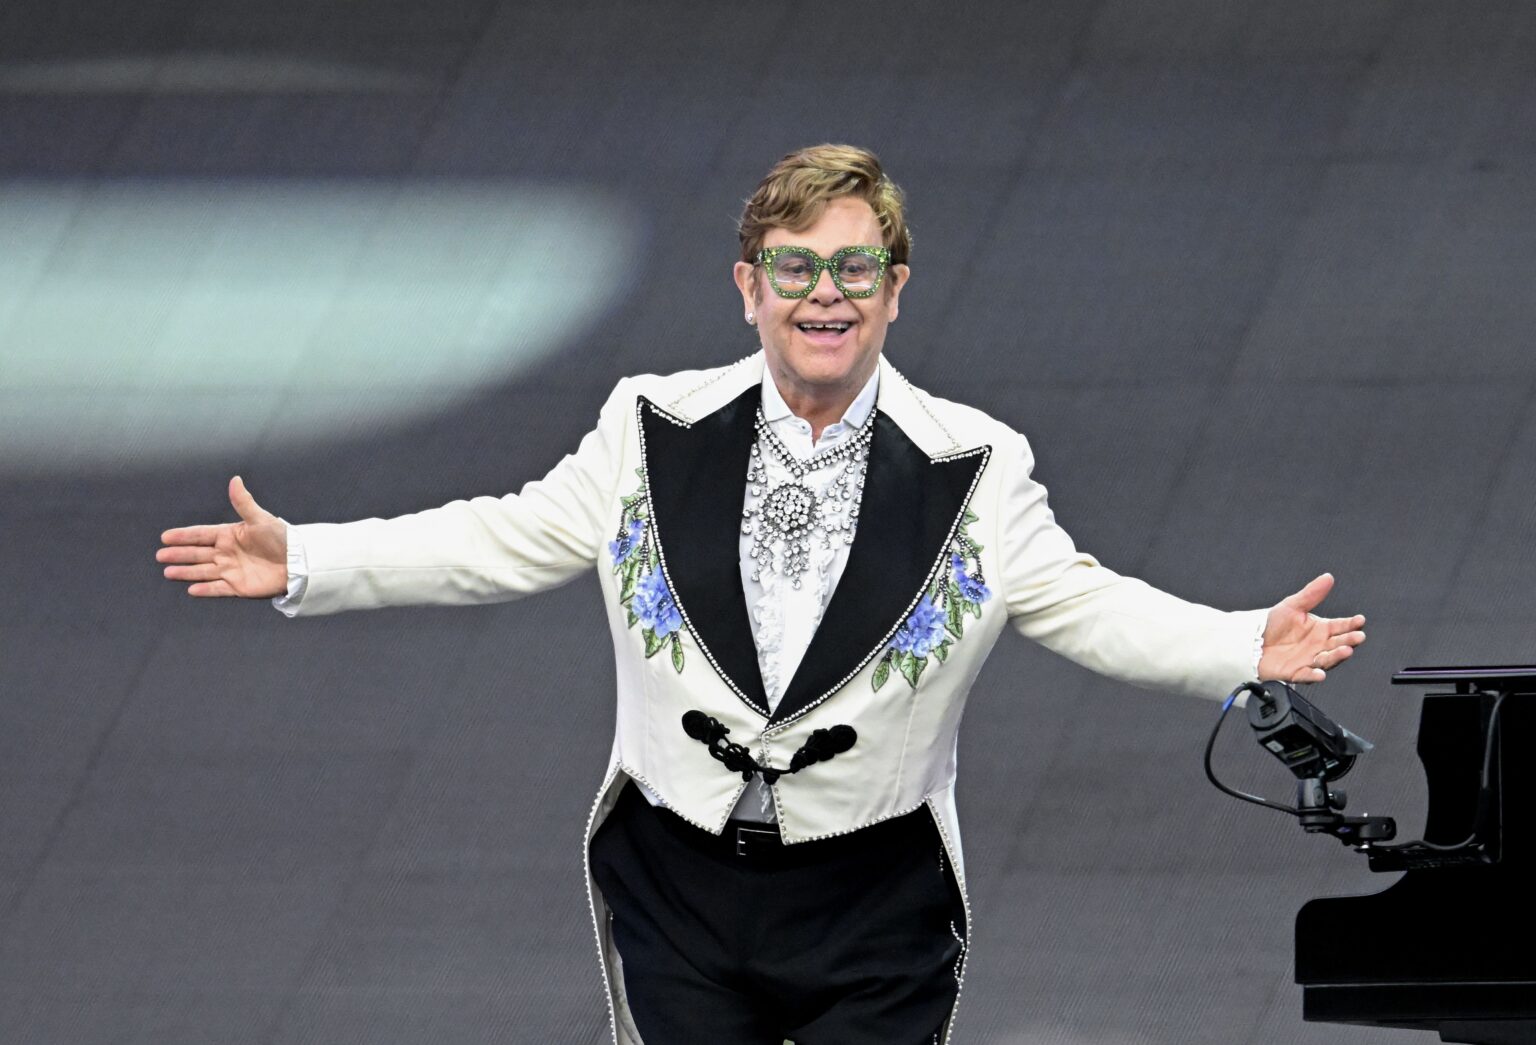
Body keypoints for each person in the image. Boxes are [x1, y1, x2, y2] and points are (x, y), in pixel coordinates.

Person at [158, 144, 1366, 1045]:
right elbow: (504, 537)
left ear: (895, 289)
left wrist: (1237, 646)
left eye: (854, 267)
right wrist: (307, 557)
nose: (823, 294)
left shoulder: (977, 466)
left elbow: (1085, 604)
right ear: (750, 286)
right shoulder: (648, 426)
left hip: (874, 893)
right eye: (796, 267)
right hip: (676, 881)